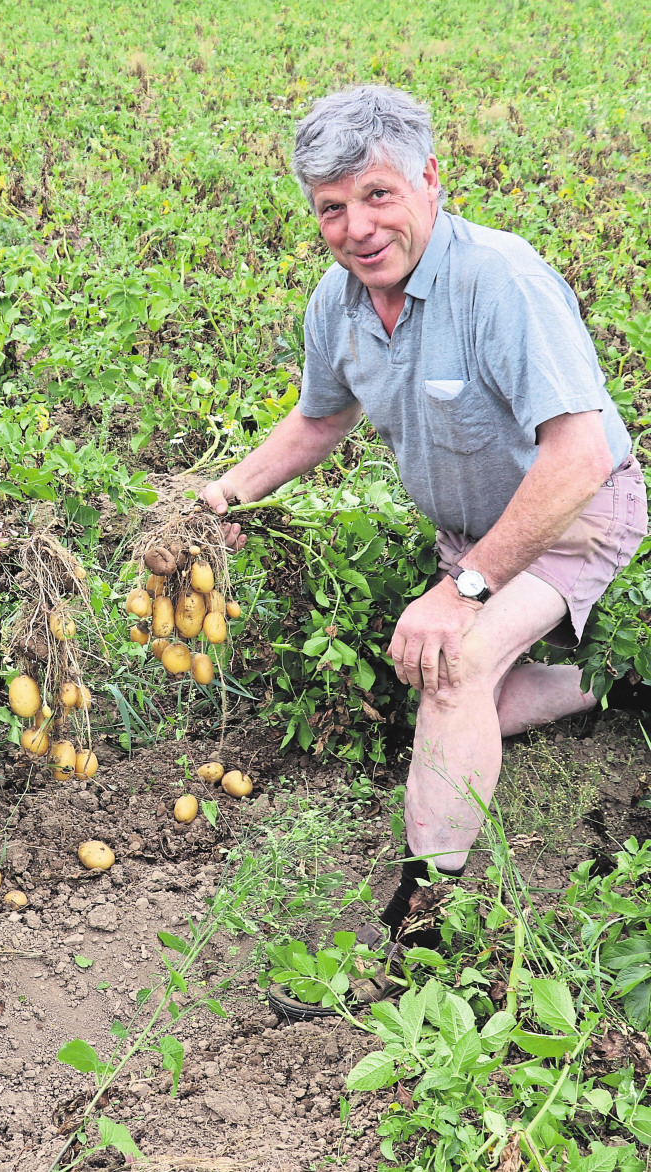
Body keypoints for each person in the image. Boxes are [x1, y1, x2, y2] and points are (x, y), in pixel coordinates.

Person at [201, 87, 647, 980]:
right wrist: (221, 496)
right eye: (332, 208)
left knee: (453, 668)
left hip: (572, 518)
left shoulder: (501, 281)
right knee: (471, 702)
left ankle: (423, 920)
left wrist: (464, 590)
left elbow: (580, 455)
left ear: (429, 182)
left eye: (378, 195)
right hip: (477, 536)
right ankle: (618, 683)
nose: (357, 227)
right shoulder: (339, 303)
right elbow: (318, 421)